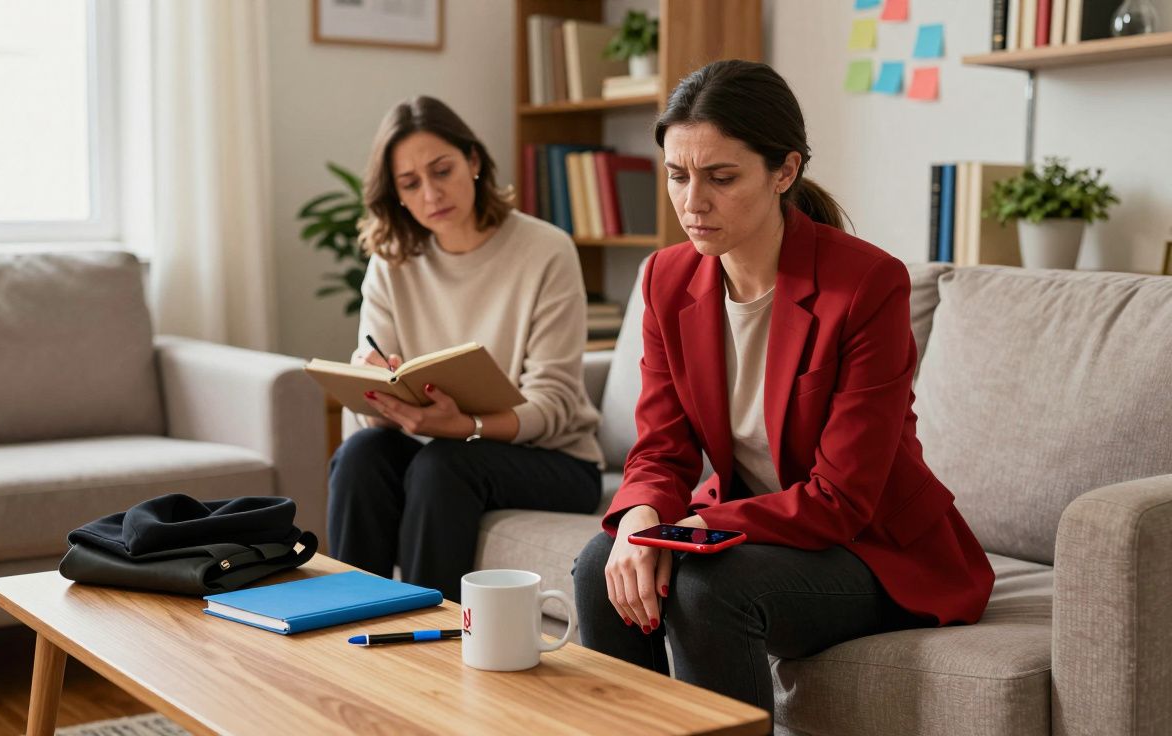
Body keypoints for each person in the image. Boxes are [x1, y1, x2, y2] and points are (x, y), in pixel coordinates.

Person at [572, 60, 994, 713]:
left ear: (785, 171)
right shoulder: (665, 278)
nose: (693, 202)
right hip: (756, 529)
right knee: (604, 567)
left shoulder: (866, 286)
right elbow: (660, 449)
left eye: (721, 178)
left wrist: (686, 527)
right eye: (678, 176)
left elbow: (841, 499)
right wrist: (640, 520)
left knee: (709, 586)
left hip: (870, 548)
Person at [327, 96, 604, 601]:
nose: (431, 193)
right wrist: (377, 393)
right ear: (397, 196)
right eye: (411, 184)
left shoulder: (545, 250)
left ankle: (432, 642)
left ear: (473, 162)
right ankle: (349, 628)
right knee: (361, 454)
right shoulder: (392, 263)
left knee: (446, 464)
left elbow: (555, 403)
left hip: (554, 460)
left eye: (442, 170)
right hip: (440, 447)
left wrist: (467, 427)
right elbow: (369, 407)